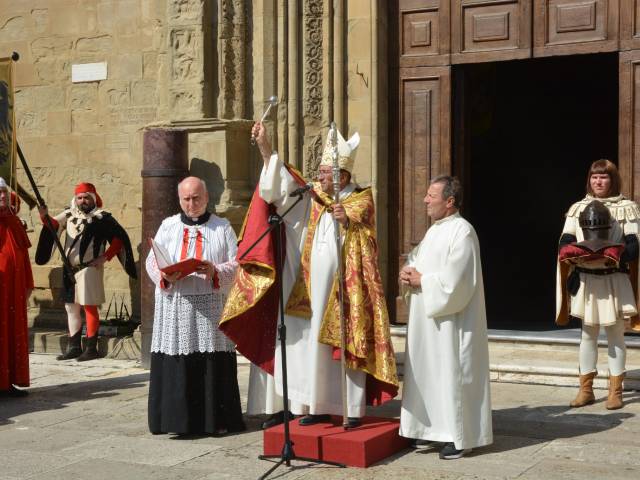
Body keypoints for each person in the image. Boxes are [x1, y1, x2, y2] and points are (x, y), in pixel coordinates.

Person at [220, 122, 398, 429]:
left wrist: (349, 222)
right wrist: (266, 149)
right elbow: (281, 190)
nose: (319, 176)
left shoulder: (360, 200)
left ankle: (351, 410)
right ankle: (315, 405)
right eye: (320, 171)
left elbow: (368, 242)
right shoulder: (313, 197)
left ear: (342, 176)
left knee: (343, 347)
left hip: (344, 292)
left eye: (326, 172)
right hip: (311, 289)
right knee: (310, 347)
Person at [399, 175, 493, 460]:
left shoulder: (462, 232)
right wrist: (406, 272)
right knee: (428, 373)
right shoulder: (434, 231)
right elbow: (417, 260)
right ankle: (430, 430)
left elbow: (459, 281)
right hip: (427, 321)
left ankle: (459, 436)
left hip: (451, 321)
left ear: (449, 202)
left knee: (452, 373)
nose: (425, 200)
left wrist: (422, 280)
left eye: (431, 196)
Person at [145, 176, 245, 435]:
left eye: (196, 198)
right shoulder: (168, 226)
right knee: (179, 361)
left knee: (209, 363)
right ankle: (176, 422)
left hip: (209, 308)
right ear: (180, 200)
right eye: (186, 199)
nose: (192, 204)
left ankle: (214, 420)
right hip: (176, 304)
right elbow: (151, 261)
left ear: (207, 197)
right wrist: (164, 275)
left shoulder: (222, 227)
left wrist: (214, 270)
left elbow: (237, 265)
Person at [556, 159, 640, 410]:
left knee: (615, 334)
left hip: (613, 277)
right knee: (587, 335)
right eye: (594, 177)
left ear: (613, 180)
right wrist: (576, 256)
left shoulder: (627, 208)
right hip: (586, 279)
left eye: (604, 177)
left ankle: (615, 391)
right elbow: (565, 242)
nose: (598, 181)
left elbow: (634, 246)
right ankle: (586, 389)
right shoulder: (577, 207)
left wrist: (612, 253)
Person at [36, 182, 136, 361]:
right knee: (71, 308)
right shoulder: (68, 214)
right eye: (80, 197)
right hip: (69, 269)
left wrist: (104, 258)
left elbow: (119, 239)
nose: (83, 201)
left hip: (89, 268)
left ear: (94, 198)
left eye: (86, 197)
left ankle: (91, 348)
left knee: (89, 307)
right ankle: (74, 347)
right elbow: (52, 225)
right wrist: (44, 216)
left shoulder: (102, 217)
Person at [0, 177, 33, 397]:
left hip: (14, 290)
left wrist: (28, 282)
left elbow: (23, 254)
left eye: (4, 192)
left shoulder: (13, 221)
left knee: (11, 333)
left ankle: (8, 380)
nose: (3, 196)